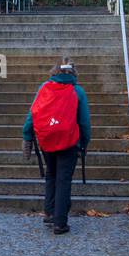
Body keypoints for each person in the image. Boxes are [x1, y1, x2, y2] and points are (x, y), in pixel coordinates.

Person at [22, 59, 91, 235]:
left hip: (47, 139)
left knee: (51, 174)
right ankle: (60, 223)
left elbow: (33, 113)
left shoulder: (44, 87)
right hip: (69, 141)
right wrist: (84, 142)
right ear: (74, 73)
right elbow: (84, 121)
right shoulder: (77, 91)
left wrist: (27, 136)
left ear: (54, 72)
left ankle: (50, 213)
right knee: (64, 179)